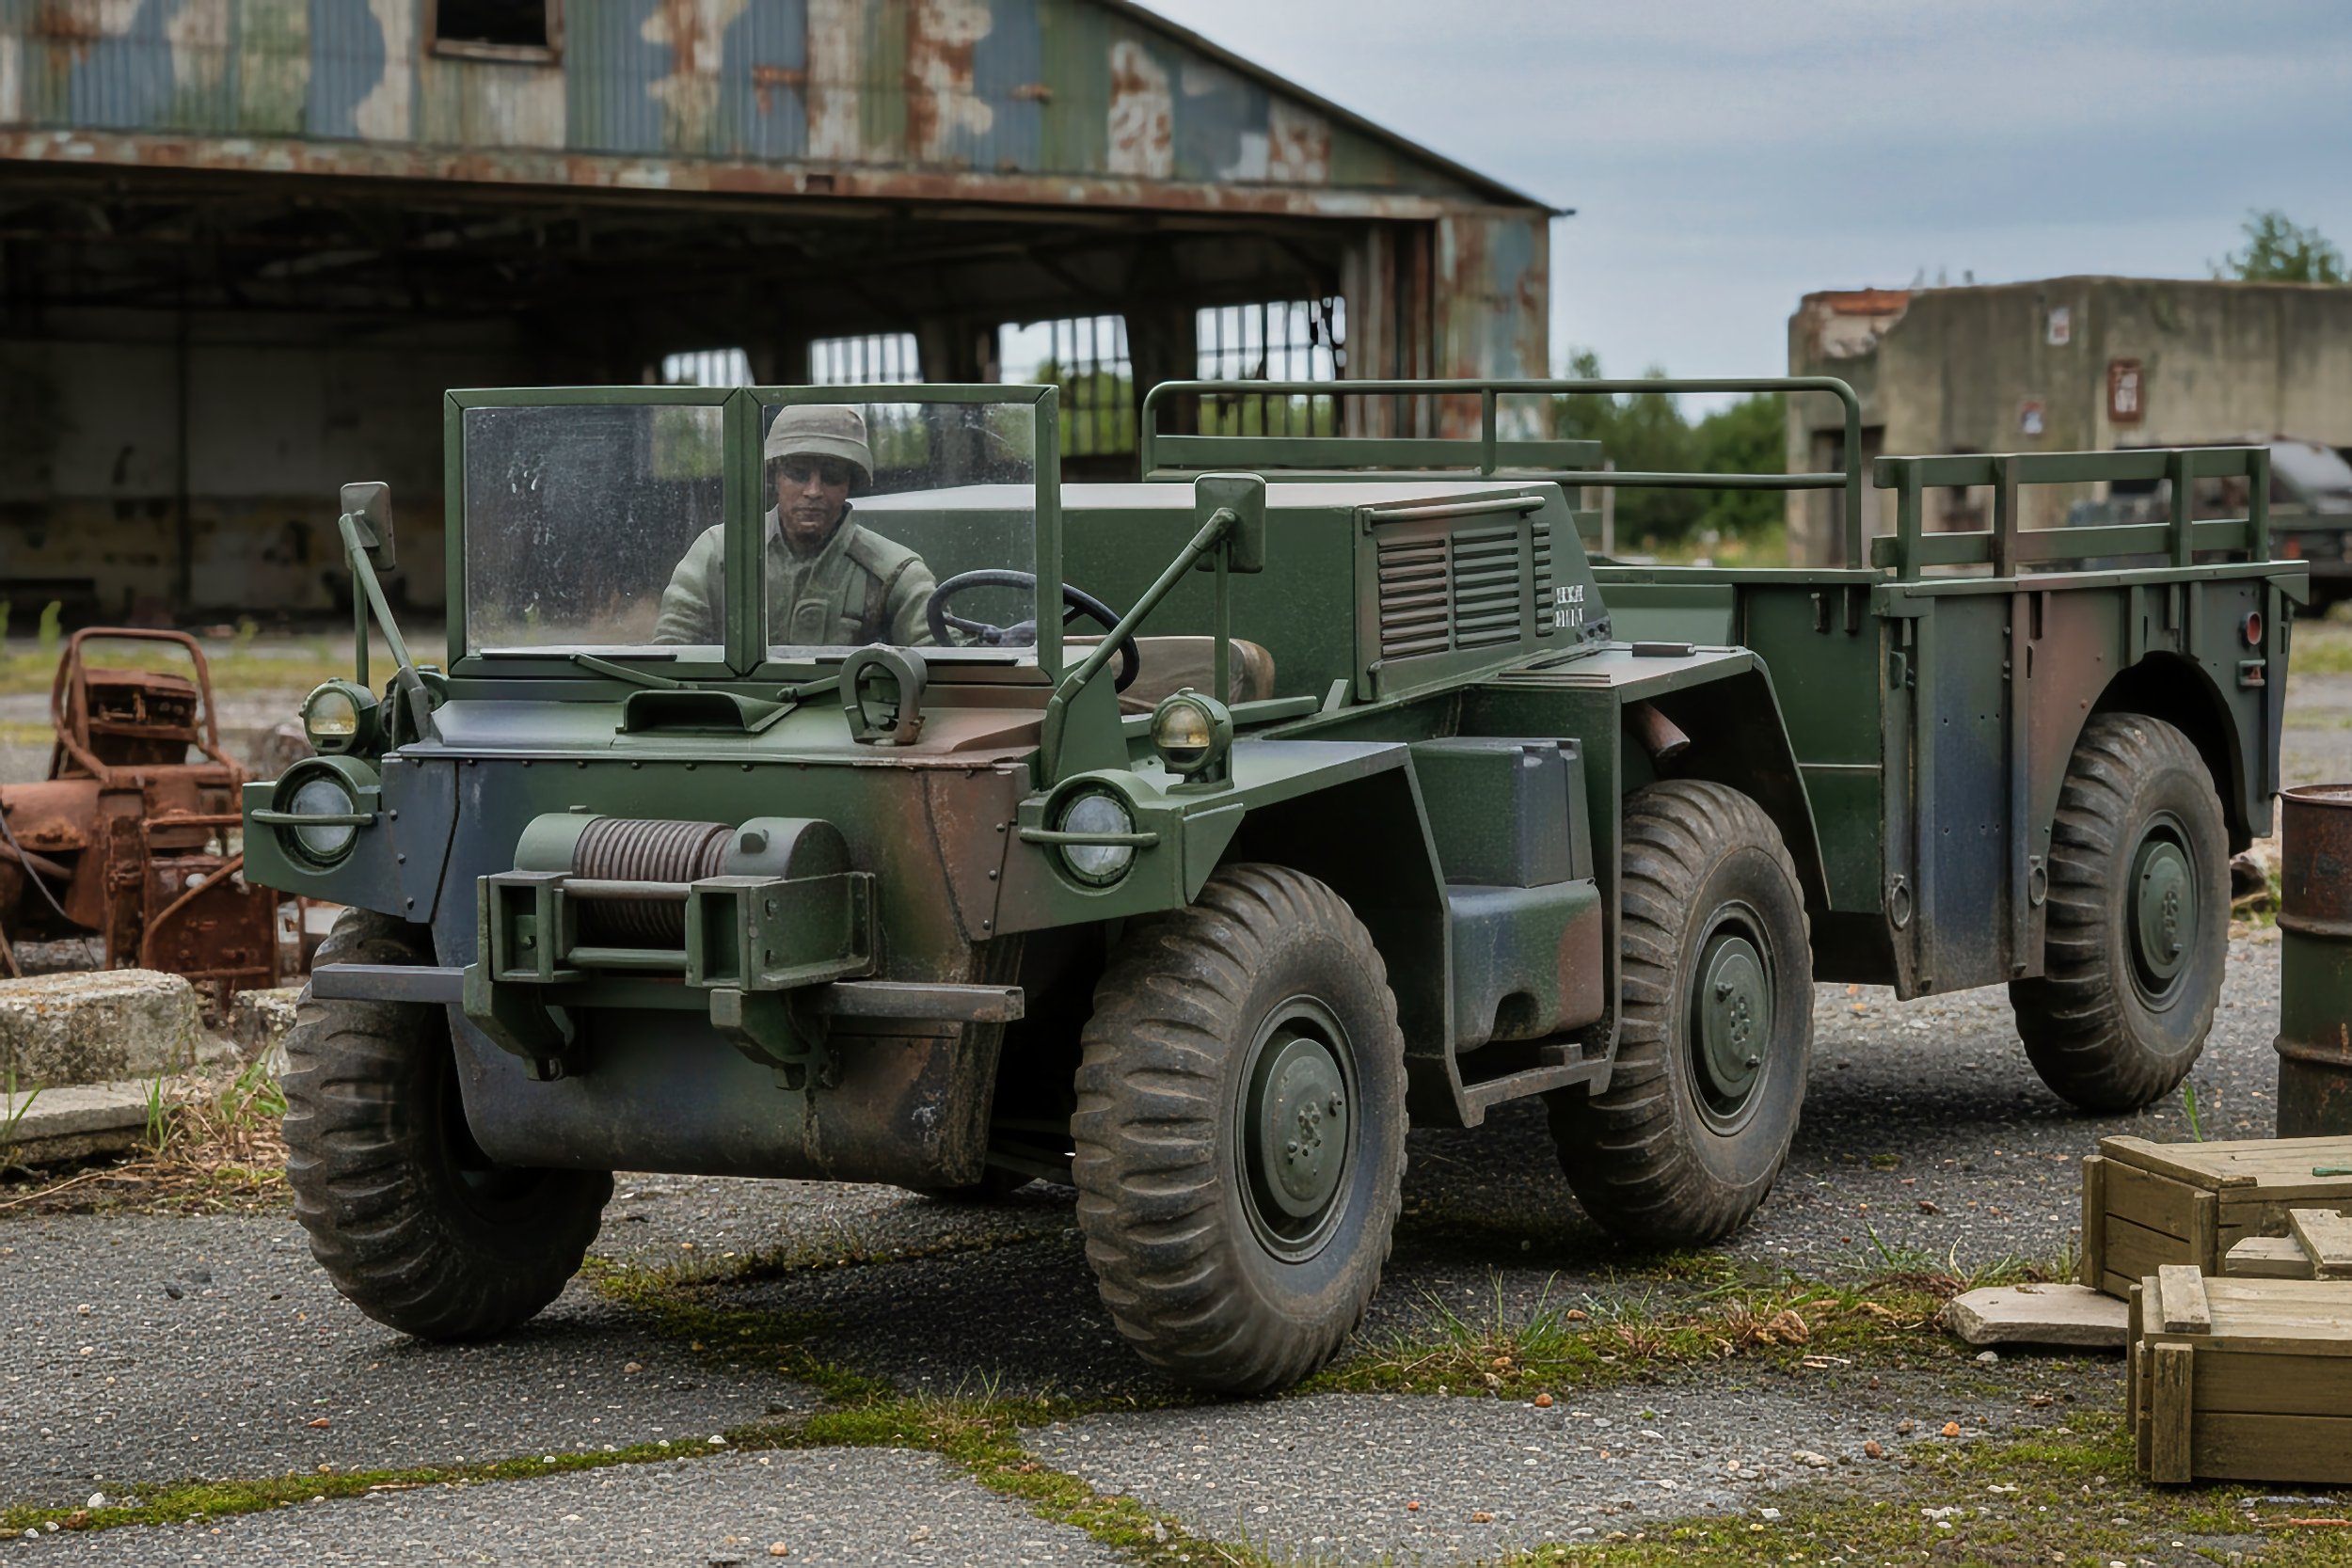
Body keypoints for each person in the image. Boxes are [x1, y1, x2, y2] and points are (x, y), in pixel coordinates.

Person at [654, 404, 936, 647]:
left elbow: (942, 670)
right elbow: (672, 656)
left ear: (849, 484)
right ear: (775, 476)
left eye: (832, 476)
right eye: (798, 474)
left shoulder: (893, 573)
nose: (813, 491)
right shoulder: (719, 554)